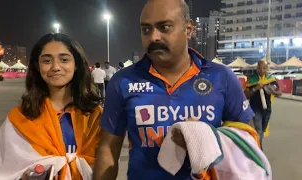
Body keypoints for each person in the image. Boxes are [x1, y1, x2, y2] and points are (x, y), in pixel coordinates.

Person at [93, 0, 255, 179]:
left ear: (189, 29)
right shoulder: (122, 82)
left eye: (164, 27)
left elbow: (247, 144)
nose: (154, 37)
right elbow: (108, 148)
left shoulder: (221, 77)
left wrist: (208, 137)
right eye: (146, 29)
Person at [0, 33, 102, 179]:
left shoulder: (96, 116)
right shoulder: (21, 117)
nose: (55, 67)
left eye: (64, 60)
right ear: (37, 66)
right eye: (47, 61)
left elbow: (106, 164)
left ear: (76, 64)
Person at [244, 60, 282, 149]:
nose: (261, 70)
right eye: (260, 68)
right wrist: (255, 88)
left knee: (262, 130)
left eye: (264, 68)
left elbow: (279, 93)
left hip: (267, 109)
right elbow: (245, 95)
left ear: (267, 69)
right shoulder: (251, 80)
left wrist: (274, 92)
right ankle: (259, 151)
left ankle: (256, 142)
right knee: (259, 130)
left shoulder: (271, 80)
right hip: (255, 108)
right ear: (257, 69)